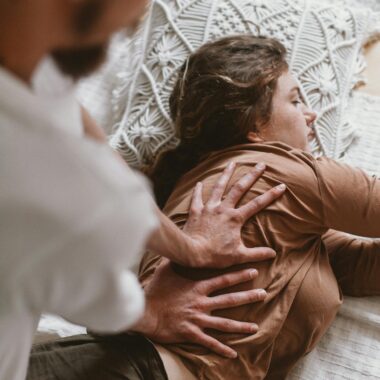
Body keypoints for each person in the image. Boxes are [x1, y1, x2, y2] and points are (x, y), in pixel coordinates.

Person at [0, 2, 286, 380]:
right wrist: (153, 314)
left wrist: (191, 249)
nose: (139, 17)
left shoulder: (32, 53)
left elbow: (66, 108)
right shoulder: (62, 200)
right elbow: (98, 296)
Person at [138, 35, 380, 379]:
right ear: (253, 124)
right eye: (295, 101)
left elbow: (360, 265)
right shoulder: (275, 173)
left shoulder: (250, 198)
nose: (311, 115)